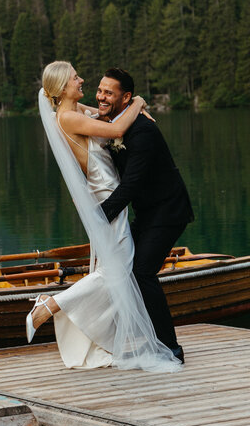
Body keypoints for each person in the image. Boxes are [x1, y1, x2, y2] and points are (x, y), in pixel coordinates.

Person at [29, 61, 180, 374]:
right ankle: (52, 304)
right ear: (62, 87)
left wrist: (132, 109)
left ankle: (94, 340)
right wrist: (138, 102)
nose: (81, 80)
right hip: (107, 202)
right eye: (75, 77)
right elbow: (115, 129)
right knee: (116, 272)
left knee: (115, 270)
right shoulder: (69, 117)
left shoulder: (76, 111)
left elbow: (107, 115)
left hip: (111, 202)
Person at [96, 68, 193, 363]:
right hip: (146, 213)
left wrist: (99, 218)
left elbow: (131, 184)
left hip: (168, 211)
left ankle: (171, 349)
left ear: (125, 97)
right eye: (99, 90)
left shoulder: (143, 130)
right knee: (126, 269)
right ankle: (150, 340)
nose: (101, 97)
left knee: (142, 271)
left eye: (108, 93)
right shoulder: (113, 121)